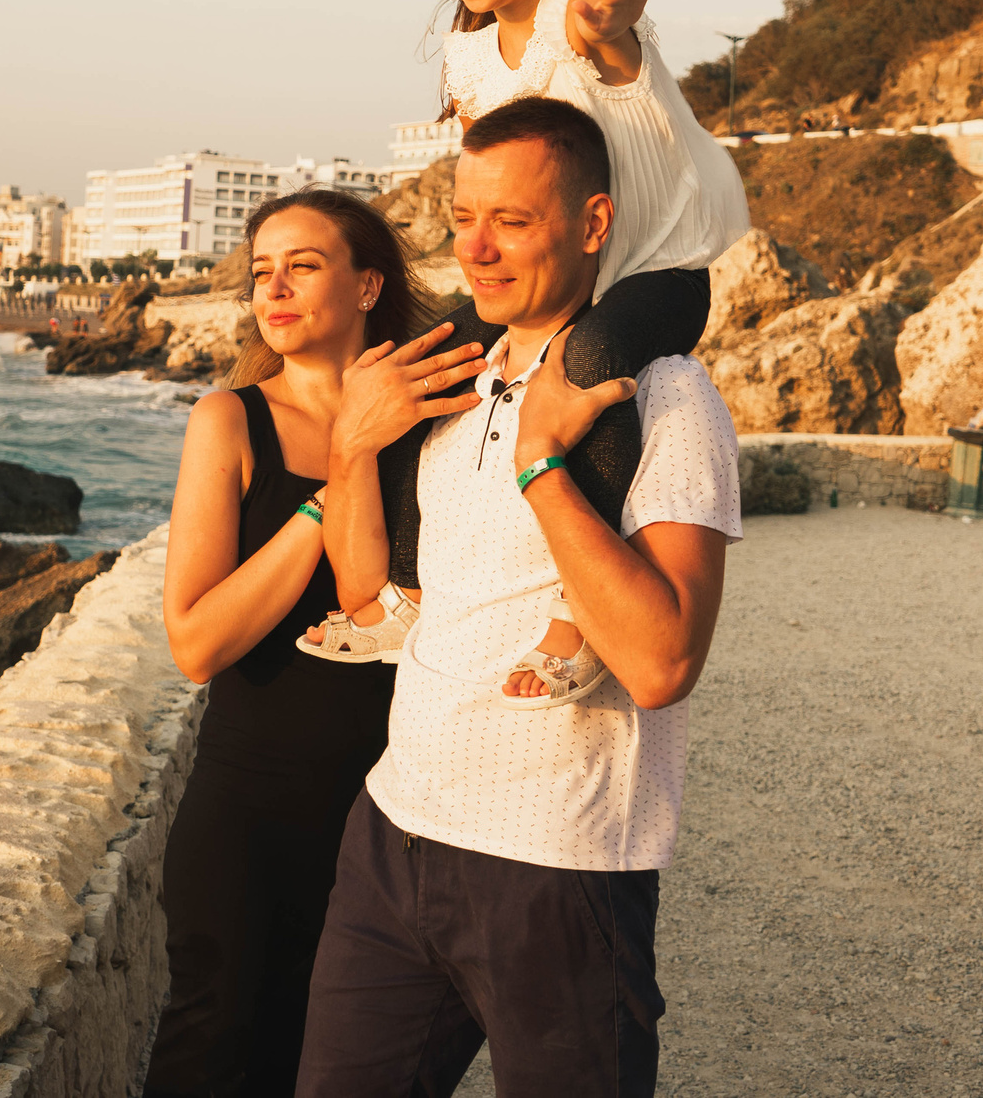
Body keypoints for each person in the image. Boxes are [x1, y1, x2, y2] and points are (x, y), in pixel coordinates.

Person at [296, 96, 742, 1098]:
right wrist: (352, 445)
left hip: (558, 864)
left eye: (513, 221)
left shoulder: (665, 397)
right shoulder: (449, 376)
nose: (479, 250)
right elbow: (368, 588)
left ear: (592, 225)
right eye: (463, 219)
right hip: (393, 834)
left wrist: (543, 463)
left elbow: (662, 661)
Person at [301, 0, 746, 709]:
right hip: (553, 282)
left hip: (652, 270)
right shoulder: (469, 56)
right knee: (425, 364)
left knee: (587, 372)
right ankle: (404, 592)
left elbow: (608, 53)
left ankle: (575, 621)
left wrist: (609, 29)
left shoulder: (581, 4)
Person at [146, 188, 490, 1098]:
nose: (276, 289)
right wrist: (332, 480)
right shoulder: (230, 420)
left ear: (369, 283)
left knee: (346, 1069)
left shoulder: (439, 418)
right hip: (248, 815)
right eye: (263, 271)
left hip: (395, 809)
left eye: (303, 265)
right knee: (212, 1053)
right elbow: (195, 640)